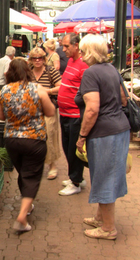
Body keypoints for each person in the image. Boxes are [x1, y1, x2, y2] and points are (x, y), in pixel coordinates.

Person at [75, 34, 130, 240]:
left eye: (82, 50)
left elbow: (92, 110)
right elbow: (124, 100)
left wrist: (82, 136)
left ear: (89, 52)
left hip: (104, 133)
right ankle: (100, 217)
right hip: (119, 130)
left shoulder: (91, 73)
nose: (79, 54)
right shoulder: (112, 70)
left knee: (105, 177)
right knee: (105, 174)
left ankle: (108, 229)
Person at [0, 59, 56, 232]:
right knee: (32, 175)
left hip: (12, 140)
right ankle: (22, 216)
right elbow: (51, 112)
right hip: (34, 139)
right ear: (28, 71)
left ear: (10, 73)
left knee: (23, 172)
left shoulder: (4, 91)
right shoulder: (38, 90)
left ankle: (27, 206)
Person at [57, 33, 89, 196]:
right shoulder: (70, 61)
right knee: (66, 147)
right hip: (64, 113)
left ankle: (75, 182)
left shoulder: (84, 65)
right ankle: (77, 177)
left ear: (76, 46)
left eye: (66, 46)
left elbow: (87, 91)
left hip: (75, 115)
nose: (64, 49)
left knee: (73, 150)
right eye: (63, 46)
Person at [28, 47, 62, 180]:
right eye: (35, 58)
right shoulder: (29, 72)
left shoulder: (50, 71)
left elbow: (61, 86)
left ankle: (52, 165)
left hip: (48, 109)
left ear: (44, 59)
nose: (37, 61)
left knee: (49, 136)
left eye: (40, 58)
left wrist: (45, 91)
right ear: (31, 60)